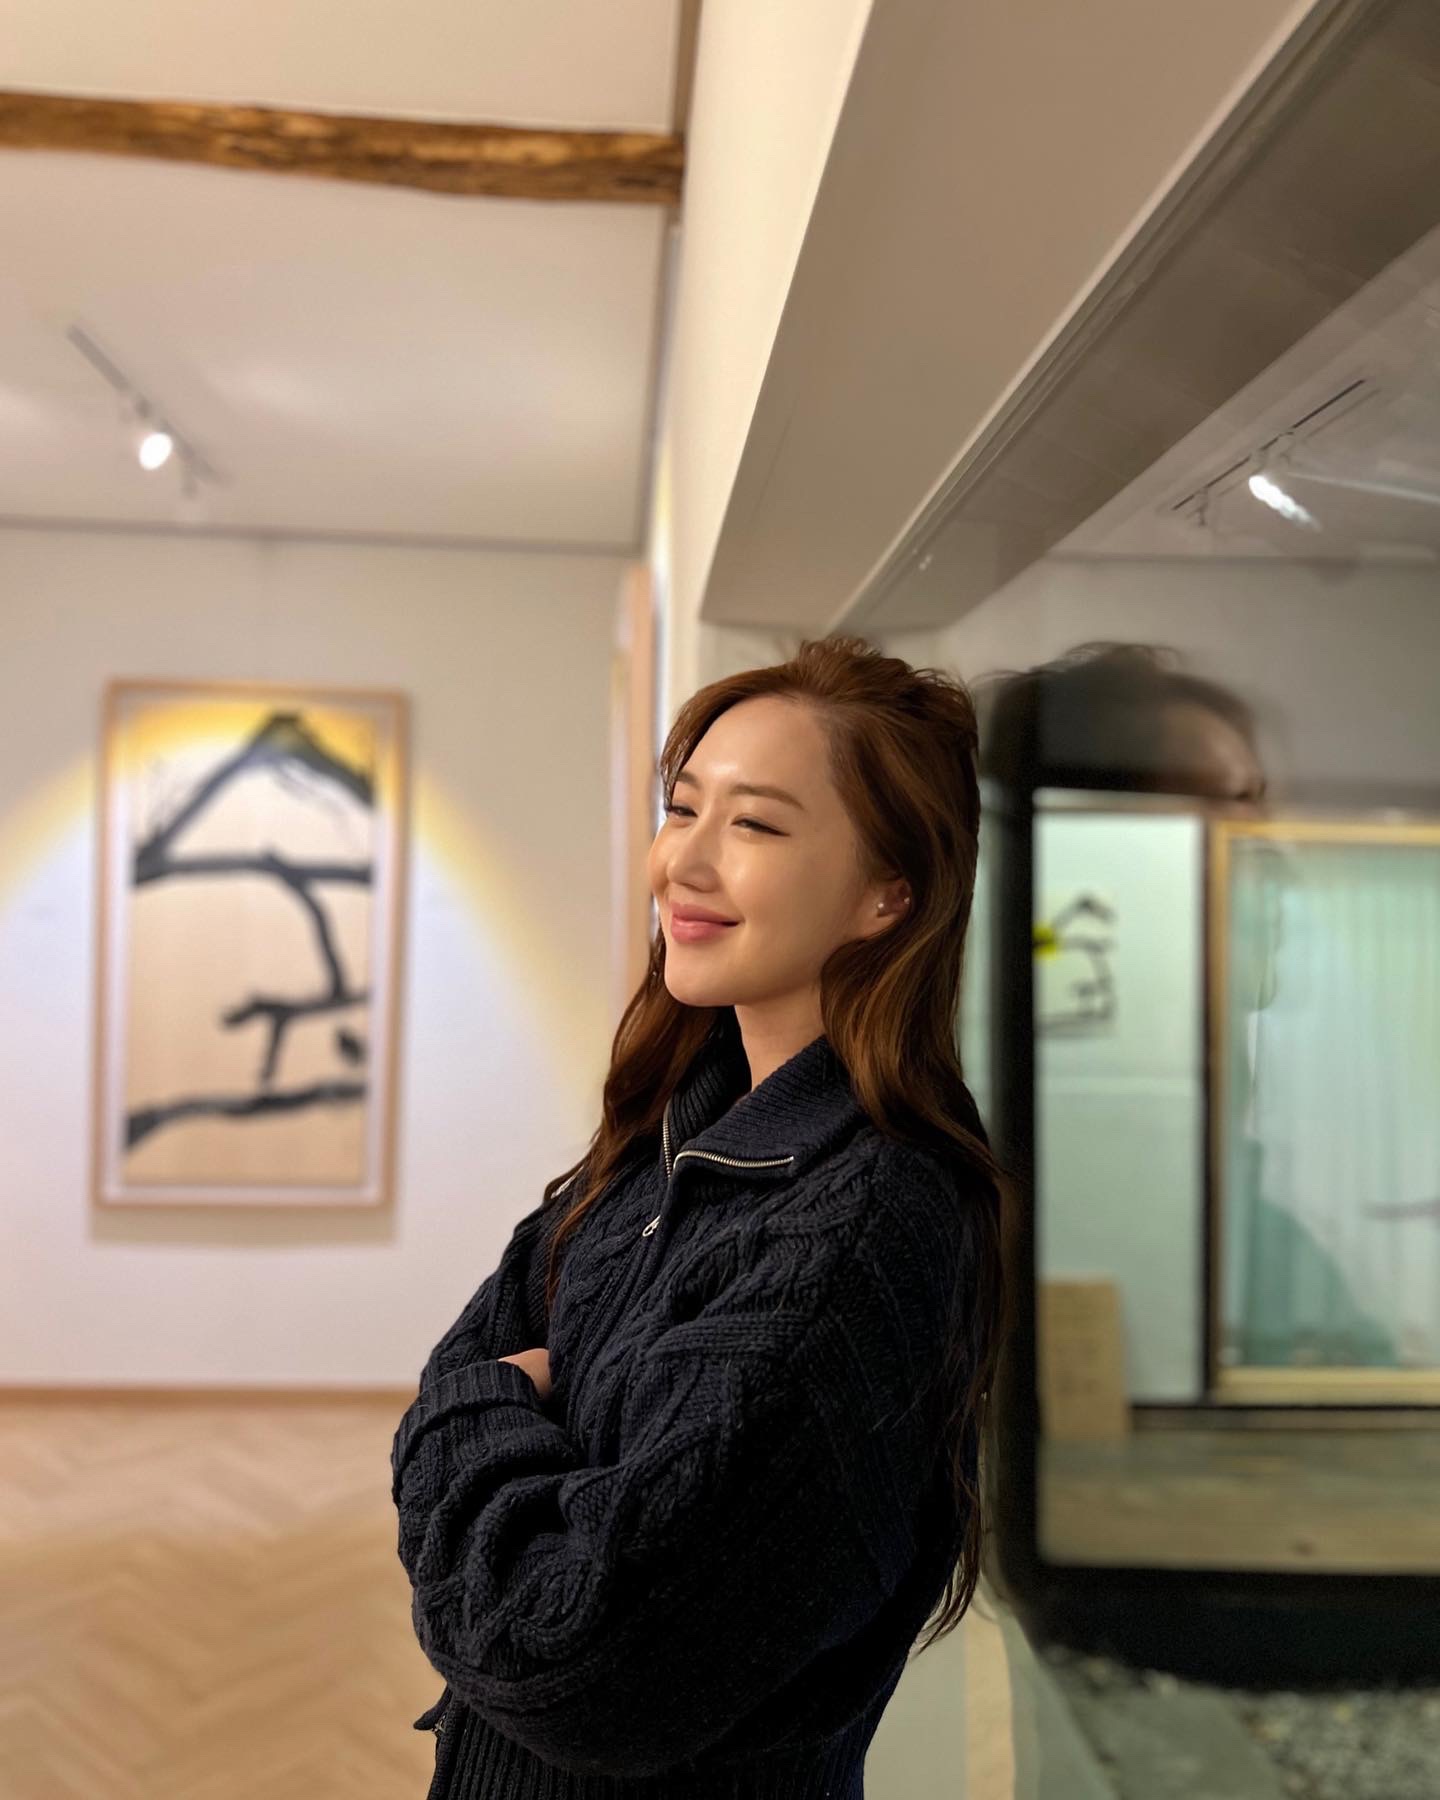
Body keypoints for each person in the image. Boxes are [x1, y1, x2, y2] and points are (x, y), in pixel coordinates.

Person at [391, 633, 1007, 1798]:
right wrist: (507, 1432)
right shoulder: (674, 1130)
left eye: (756, 825)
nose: (685, 861)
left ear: (887, 894)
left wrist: (479, 1419)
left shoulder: (861, 1228)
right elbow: (472, 1360)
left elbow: (577, 1659)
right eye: (682, 809)